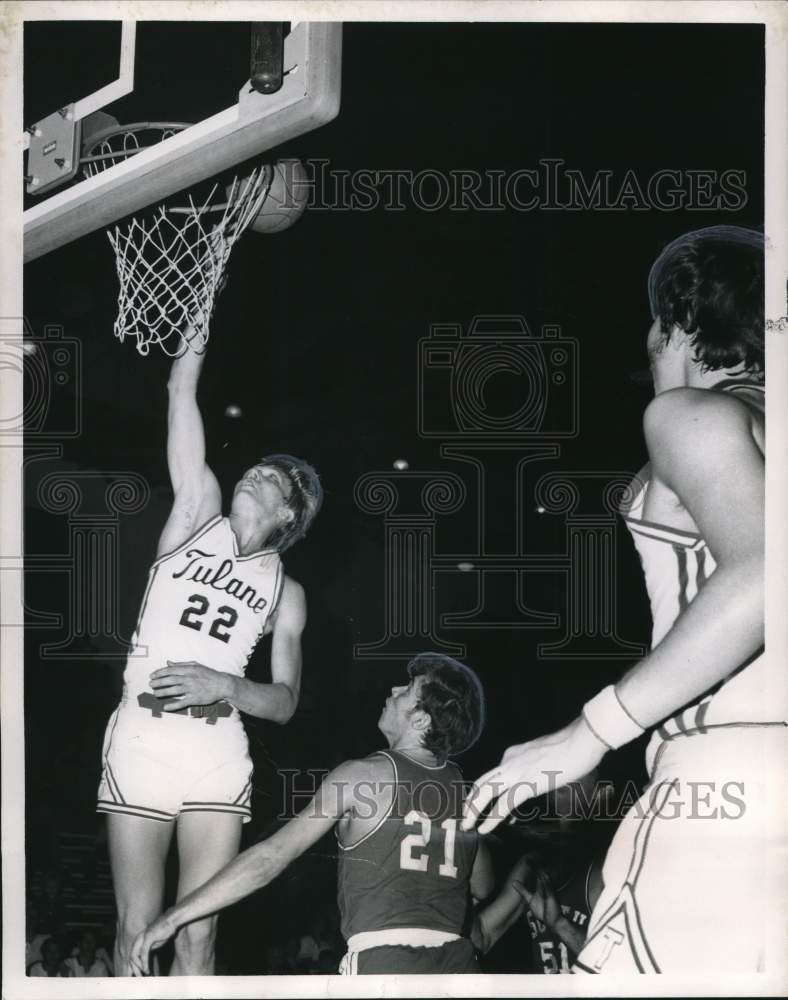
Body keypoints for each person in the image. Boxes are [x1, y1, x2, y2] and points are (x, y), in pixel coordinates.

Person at [463, 226, 786, 973]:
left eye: (654, 321)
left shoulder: (689, 415)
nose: (647, 339)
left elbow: (766, 568)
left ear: (681, 324)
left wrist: (586, 734)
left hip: (730, 772)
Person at [97, 344, 322, 975]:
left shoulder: (288, 592)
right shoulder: (196, 513)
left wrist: (224, 682)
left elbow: (283, 703)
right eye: (255, 467)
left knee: (198, 939)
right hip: (144, 735)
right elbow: (179, 391)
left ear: (287, 514)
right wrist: (202, 295)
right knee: (136, 931)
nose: (253, 473)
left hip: (216, 750)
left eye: (271, 480)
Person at [128, 652, 491, 976]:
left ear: (422, 721)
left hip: (386, 966)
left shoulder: (364, 776)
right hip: (459, 969)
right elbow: (482, 884)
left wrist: (172, 918)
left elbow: (270, 859)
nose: (394, 689)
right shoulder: (464, 790)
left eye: (407, 689)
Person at [472, 772, 607, 972]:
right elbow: (482, 937)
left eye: (579, 769)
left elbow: (623, 962)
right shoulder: (531, 864)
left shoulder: (607, 866)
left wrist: (560, 924)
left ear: (602, 793)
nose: (564, 777)